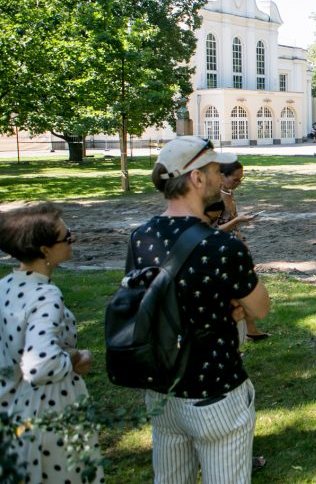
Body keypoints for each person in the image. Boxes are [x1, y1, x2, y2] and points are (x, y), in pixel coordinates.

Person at [131, 136, 270, 484]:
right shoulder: (221, 245)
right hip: (215, 389)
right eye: (212, 169)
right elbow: (261, 307)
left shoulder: (141, 236)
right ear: (195, 178)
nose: (218, 175)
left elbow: (143, 300)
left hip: (162, 388)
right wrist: (231, 305)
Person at [0, 203, 104, 484]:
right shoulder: (45, 295)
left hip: (13, 412)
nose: (73, 238)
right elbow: (41, 364)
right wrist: (75, 356)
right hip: (50, 413)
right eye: (66, 235)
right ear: (45, 250)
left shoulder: (5, 286)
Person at [217, 160, 268, 341]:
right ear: (221, 176)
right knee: (234, 293)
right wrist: (237, 221)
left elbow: (231, 223)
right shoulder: (214, 198)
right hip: (220, 251)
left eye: (241, 180)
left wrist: (240, 238)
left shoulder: (228, 193)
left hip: (234, 247)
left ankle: (251, 330)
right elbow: (212, 230)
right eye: (235, 180)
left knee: (243, 289)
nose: (238, 183)